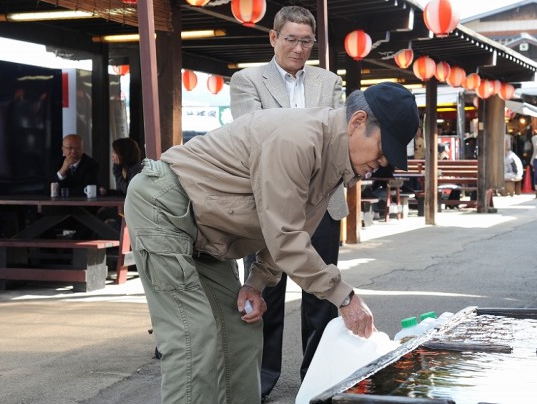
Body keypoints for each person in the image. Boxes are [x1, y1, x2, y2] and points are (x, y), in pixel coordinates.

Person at [125, 83, 420, 404]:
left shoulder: (334, 163)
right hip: (165, 206)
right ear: (357, 122)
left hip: (208, 234)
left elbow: (289, 229)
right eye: (383, 148)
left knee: (242, 331)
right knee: (194, 335)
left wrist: (255, 283)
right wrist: (344, 297)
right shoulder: (298, 139)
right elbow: (285, 238)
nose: (384, 161)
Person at [229, 5, 346, 399]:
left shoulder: (329, 82)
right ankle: (261, 376)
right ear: (273, 38)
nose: (299, 48)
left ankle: (315, 376)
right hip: (269, 203)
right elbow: (254, 138)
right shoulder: (247, 81)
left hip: (323, 204)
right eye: (291, 39)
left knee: (320, 295)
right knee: (266, 291)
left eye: (306, 41)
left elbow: (339, 141)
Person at [98, 138, 144, 230]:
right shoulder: (128, 169)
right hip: (130, 209)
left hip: (139, 212)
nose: (112, 155)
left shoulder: (138, 170)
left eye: (114, 152)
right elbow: (122, 192)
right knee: (102, 212)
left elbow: (129, 191)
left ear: (123, 154)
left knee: (103, 214)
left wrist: (117, 171)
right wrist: (107, 192)